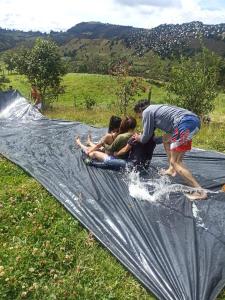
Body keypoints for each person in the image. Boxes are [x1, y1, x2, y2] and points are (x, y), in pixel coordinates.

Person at [133, 99, 207, 200]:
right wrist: (156, 139)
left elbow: (145, 138)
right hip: (192, 122)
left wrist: (139, 138)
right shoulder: (157, 108)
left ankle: (200, 191)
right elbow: (164, 137)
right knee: (166, 139)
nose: (142, 118)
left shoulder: (147, 112)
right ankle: (171, 169)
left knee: (176, 162)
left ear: (139, 111)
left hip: (185, 124)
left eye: (140, 117)